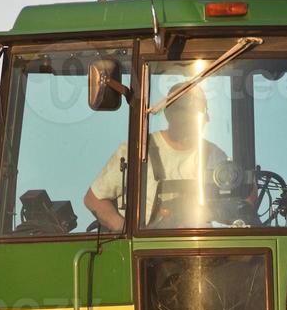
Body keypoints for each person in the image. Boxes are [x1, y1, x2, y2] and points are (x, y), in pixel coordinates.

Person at [83, 84, 228, 233]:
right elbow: (94, 199)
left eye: (197, 111)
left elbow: (239, 200)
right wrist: (124, 229)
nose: (190, 118)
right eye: (184, 111)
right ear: (169, 114)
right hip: (147, 249)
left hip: (199, 247)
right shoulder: (136, 152)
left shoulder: (215, 156)